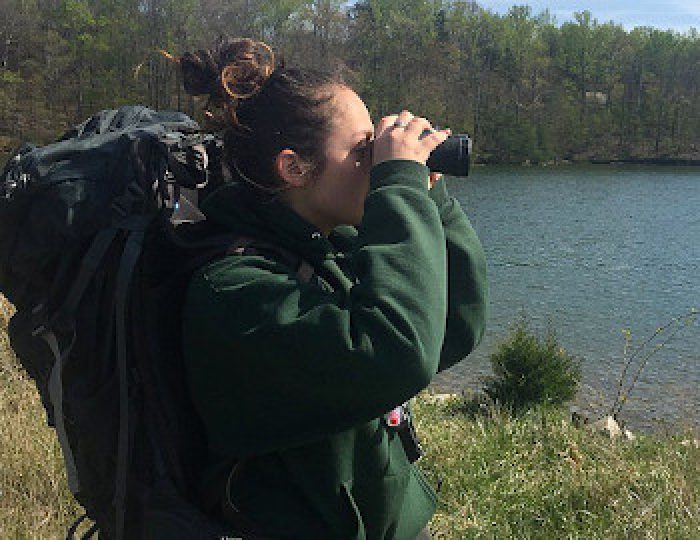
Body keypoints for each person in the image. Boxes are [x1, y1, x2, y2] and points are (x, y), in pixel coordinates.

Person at [176, 37, 488, 539]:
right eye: (363, 150)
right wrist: (398, 186)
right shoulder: (236, 292)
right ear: (294, 168)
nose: (376, 161)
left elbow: (451, 329)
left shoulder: (329, 247)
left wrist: (427, 191)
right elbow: (398, 354)